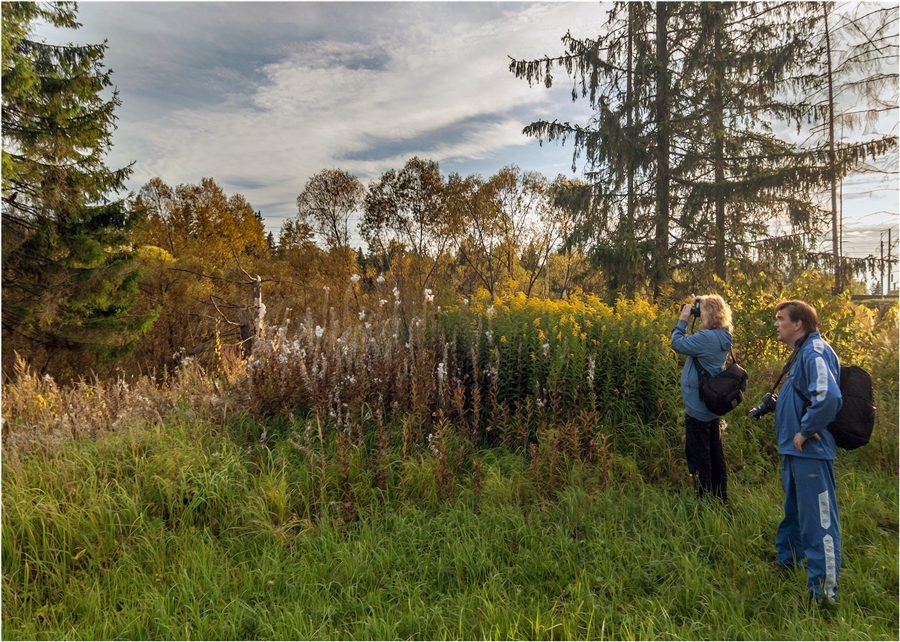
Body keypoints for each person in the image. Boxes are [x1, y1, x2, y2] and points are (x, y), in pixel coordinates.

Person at [771, 300, 843, 605]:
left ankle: (823, 594)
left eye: (780, 318)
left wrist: (805, 429)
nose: (776, 324)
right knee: (795, 514)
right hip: (795, 452)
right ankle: (787, 562)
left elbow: (828, 396)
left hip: (810, 451)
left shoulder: (814, 351)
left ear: (798, 323)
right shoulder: (801, 352)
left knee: (819, 523)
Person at [671, 294, 734, 504]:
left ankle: (704, 501)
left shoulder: (706, 338)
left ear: (707, 314)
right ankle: (721, 498)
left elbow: (677, 343)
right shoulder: (724, 335)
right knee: (715, 453)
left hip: (698, 406)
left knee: (699, 455)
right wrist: (704, 300)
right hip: (711, 406)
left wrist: (684, 319)